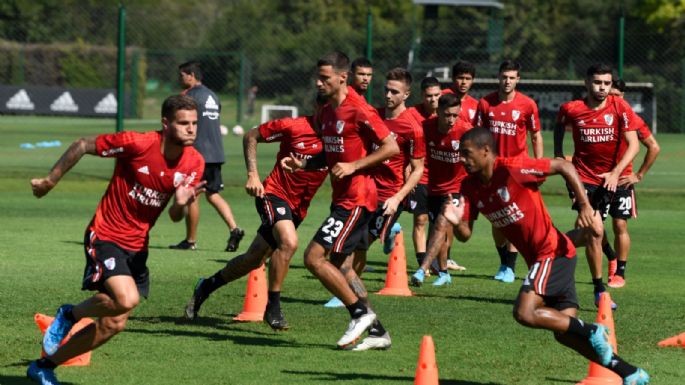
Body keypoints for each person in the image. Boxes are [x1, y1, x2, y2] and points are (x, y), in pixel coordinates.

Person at [441, 127, 650, 385]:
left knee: (525, 313)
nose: (461, 159)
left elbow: (563, 166)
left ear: (486, 151)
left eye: (466, 153)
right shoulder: (469, 186)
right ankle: (629, 372)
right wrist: (454, 220)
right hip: (552, 256)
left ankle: (592, 329)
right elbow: (465, 235)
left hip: (551, 252)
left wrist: (585, 204)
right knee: (564, 332)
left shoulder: (512, 169)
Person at [27, 95, 206, 385]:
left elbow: (174, 216)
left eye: (195, 123)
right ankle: (69, 315)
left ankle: (44, 366)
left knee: (114, 321)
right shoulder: (138, 143)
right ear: (165, 123)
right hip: (106, 234)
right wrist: (50, 181)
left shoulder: (195, 162)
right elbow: (83, 144)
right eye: (183, 123)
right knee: (126, 299)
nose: (191, 129)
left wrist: (182, 203)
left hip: (138, 246)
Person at [282, 51, 399, 349]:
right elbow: (331, 155)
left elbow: (391, 147)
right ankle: (378, 332)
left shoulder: (359, 109)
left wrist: (354, 166)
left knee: (313, 258)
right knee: (341, 265)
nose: (318, 82)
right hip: (343, 199)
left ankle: (359, 314)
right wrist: (304, 164)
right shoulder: (328, 112)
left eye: (325, 78)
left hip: (358, 198)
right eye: (317, 77)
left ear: (342, 78)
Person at [183, 96, 329, 330]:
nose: (331, 114)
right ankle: (273, 307)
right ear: (317, 107)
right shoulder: (295, 126)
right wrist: (252, 174)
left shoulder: (338, 139)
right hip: (273, 194)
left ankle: (206, 286)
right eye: (326, 108)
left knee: (253, 259)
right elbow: (251, 135)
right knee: (289, 243)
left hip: (299, 208)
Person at [324, 67, 426, 319]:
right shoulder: (375, 116)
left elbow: (417, 169)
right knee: (350, 247)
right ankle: (351, 294)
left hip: (388, 197)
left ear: (406, 95)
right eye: (386, 89)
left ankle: (350, 296)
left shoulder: (413, 127)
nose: (388, 95)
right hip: (364, 191)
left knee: (358, 246)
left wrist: (397, 198)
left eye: (395, 92)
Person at [554, 64, 640, 308]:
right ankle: (599, 290)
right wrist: (559, 153)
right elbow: (560, 125)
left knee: (589, 232)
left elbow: (634, 145)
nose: (602, 87)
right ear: (586, 83)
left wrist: (616, 172)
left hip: (612, 179)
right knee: (596, 232)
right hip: (585, 180)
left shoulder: (619, 106)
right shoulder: (572, 109)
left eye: (606, 83)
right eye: (597, 82)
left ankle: (553, 245)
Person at [477, 59, 543, 283]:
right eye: (504, 77)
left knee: (515, 218)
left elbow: (535, 135)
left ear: (518, 79)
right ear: (498, 77)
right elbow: (478, 136)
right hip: (493, 170)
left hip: (518, 170)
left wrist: (538, 165)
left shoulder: (527, 104)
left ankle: (509, 267)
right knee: (497, 221)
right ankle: (504, 260)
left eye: (512, 77)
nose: (507, 81)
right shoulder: (486, 103)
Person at [169, 61, 244, 252]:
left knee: (192, 196)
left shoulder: (187, 96)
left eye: (182, 76)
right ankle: (234, 228)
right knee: (213, 194)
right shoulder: (213, 95)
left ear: (191, 75)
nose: (180, 80)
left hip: (197, 154)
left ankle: (191, 241)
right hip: (216, 153)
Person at [599, 79, 660, 288]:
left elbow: (654, 147)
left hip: (623, 180)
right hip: (598, 179)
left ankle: (620, 272)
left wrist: (639, 175)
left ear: (623, 97)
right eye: (610, 94)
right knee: (595, 227)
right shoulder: (597, 116)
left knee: (620, 224)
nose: (613, 99)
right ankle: (611, 257)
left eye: (617, 95)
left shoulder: (632, 119)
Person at [410, 93, 473, 287]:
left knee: (440, 225)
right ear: (437, 112)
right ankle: (444, 273)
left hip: (457, 187)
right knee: (441, 232)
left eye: (455, 115)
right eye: (447, 115)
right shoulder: (426, 128)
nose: (451, 120)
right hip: (434, 188)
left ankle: (422, 269)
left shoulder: (465, 131)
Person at [406, 77, 441, 270]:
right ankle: (422, 264)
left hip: (440, 177)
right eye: (429, 96)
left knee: (440, 223)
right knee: (420, 219)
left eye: (437, 95)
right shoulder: (411, 114)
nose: (433, 99)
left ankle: (439, 263)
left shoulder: (446, 114)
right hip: (419, 174)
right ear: (422, 96)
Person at [442, 60, 479, 126]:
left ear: (472, 80)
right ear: (453, 78)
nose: (464, 82)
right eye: (460, 78)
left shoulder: (476, 105)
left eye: (468, 79)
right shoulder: (442, 96)